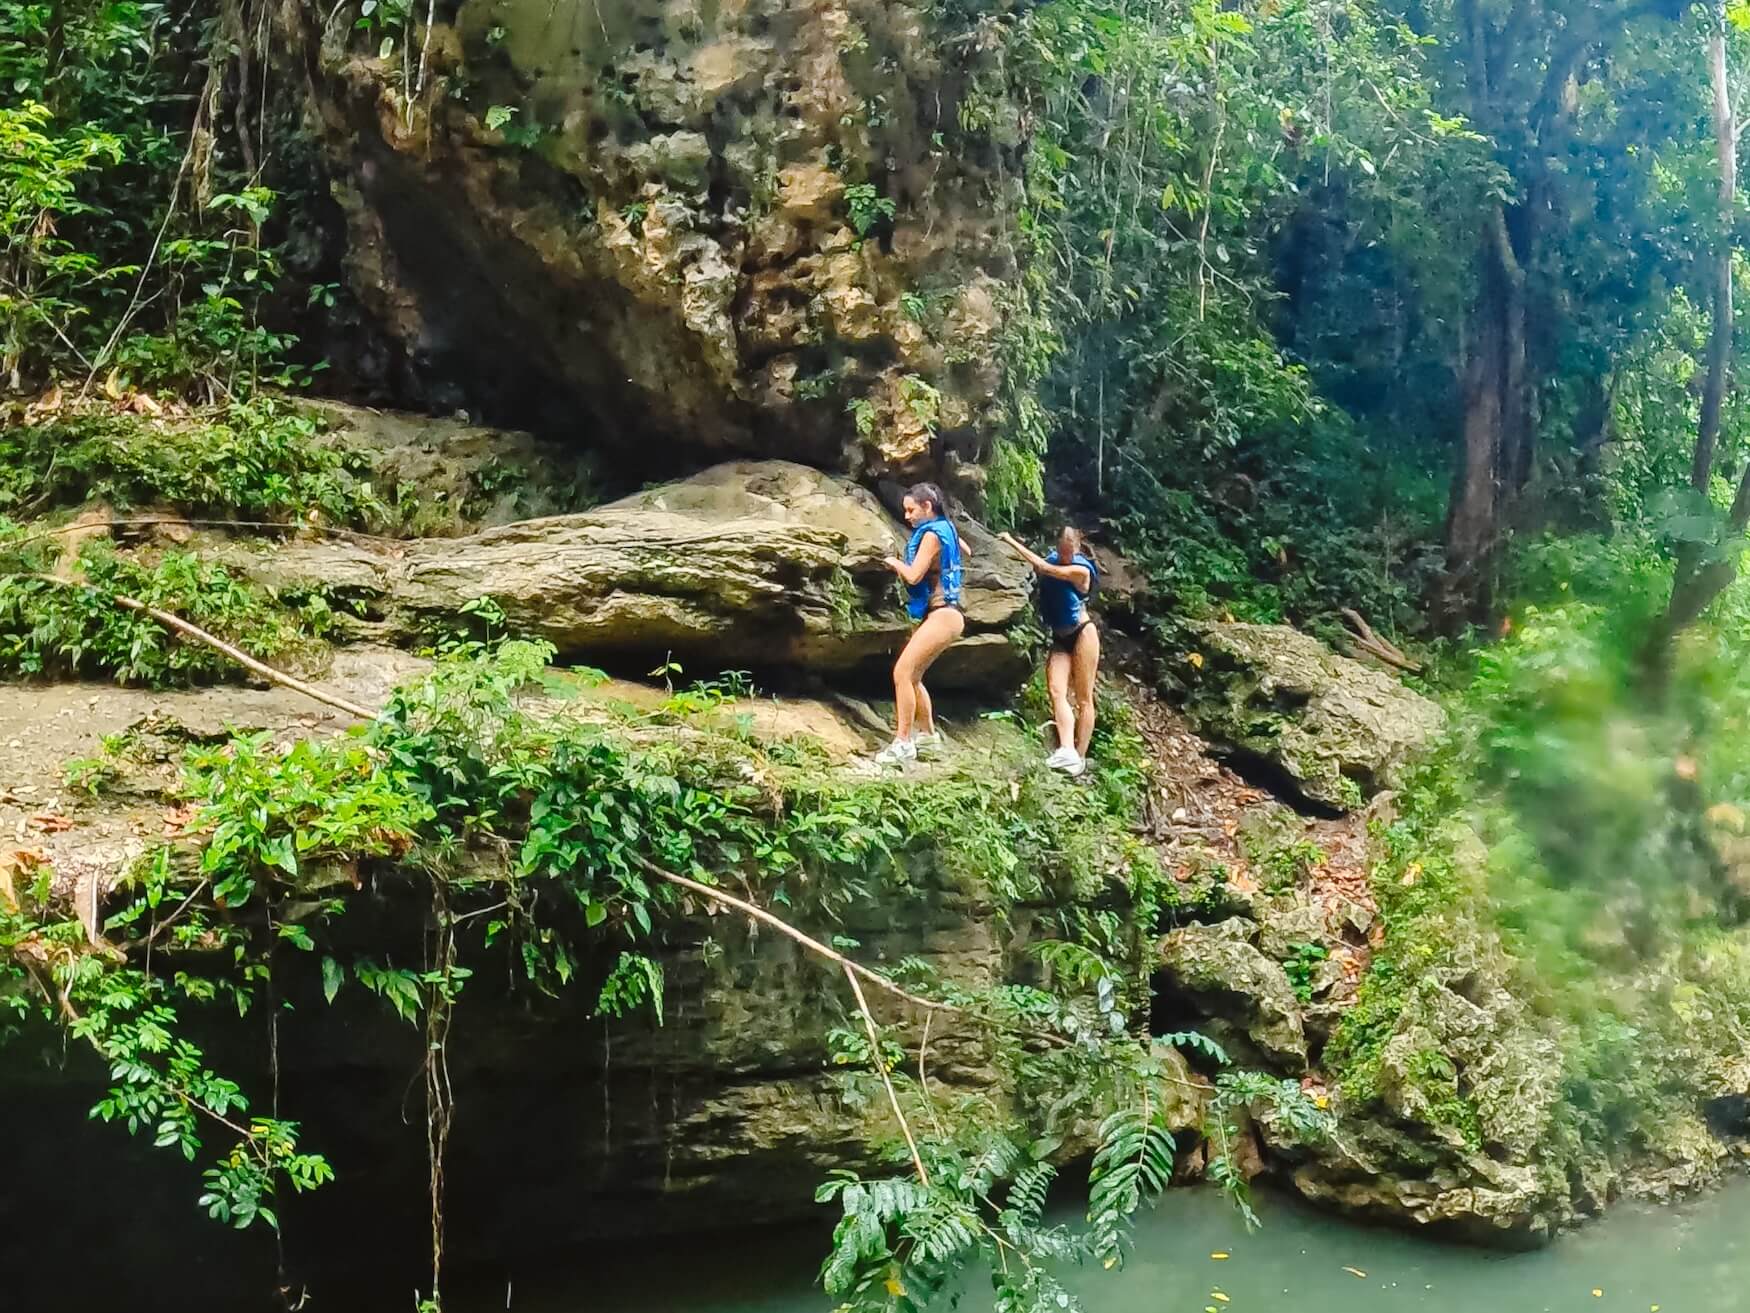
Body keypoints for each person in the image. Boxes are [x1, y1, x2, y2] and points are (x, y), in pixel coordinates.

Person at [875, 483, 966, 766]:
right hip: (948, 615)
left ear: (927, 506)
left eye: (911, 510)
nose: (907, 516)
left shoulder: (930, 535)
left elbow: (914, 576)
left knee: (902, 672)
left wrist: (892, 562)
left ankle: (902, 741)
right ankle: (927, 736)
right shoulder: (946, 528)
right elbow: (966, 549)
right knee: (913, 676)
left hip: (943, 614)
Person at [999, 525, 1100, 775]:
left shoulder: (1080, 569)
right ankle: (1066, 749)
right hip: (1059, 637)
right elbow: (1038, 567)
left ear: (1076, 549)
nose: (1065, 556)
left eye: (1069, 553)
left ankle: (1080, 756)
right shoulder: (1053, 557)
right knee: (1056, 690)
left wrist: (1010, 541)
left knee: (1084, 697)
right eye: (1062, 552)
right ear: (1058, 547)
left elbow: (1046, 569)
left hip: (1082, 633)